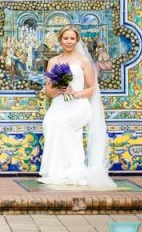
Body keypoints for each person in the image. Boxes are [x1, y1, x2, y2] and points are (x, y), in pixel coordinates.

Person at [38, 25, 115, 188]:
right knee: (50, 121)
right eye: (65, 38)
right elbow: (48, 91)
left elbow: (92, 88)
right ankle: (57, 171)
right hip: (59, 103)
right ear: (60, 40)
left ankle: (75, 170)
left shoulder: (84, 60)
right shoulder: (53, 61)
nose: (69, 41)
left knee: (63, 123)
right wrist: (58, 88)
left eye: (72, 38)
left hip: (79, 104)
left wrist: (76, 93)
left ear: (77, 40)